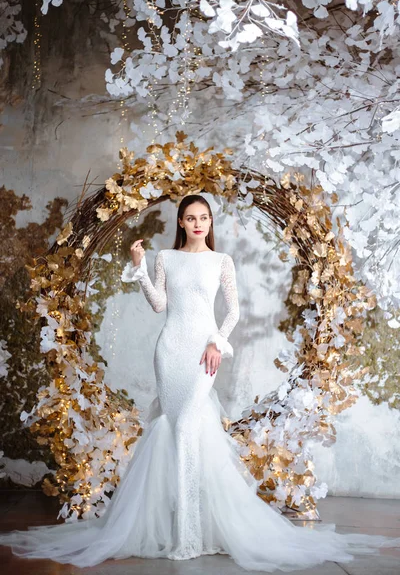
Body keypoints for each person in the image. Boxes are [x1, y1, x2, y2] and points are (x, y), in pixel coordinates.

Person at [0, 193, 399, 571]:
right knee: (173, 430)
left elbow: (233, 311)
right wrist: (139, 266)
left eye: (203, 218)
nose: (197, 223)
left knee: (190, 426)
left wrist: (216, 343)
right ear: (181, 221)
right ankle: (178, 531)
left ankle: (191, 535)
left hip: (202, 352)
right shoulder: (166, 257)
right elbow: (159, 304)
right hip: (169, 351)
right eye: (190, 217)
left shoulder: (221, 260)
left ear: (210, 222)